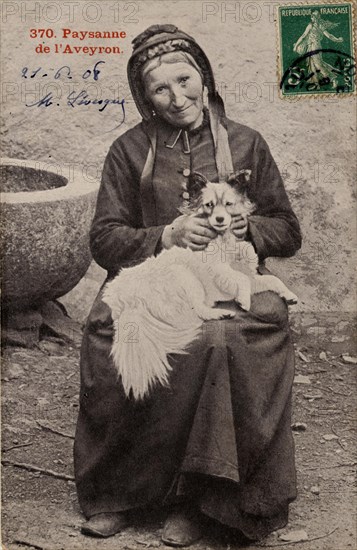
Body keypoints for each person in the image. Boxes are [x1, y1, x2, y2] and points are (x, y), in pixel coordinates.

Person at [74, 24, 302, 547]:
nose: (178, 98)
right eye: (161, 88)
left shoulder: (246, 143)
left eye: (185, 79)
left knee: (221, 341)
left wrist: (249, 227)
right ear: (144, 96)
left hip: (233, 281)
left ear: (204, 76)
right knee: (120, 332)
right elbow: (104, 240)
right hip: (154, 282)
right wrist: (165, 234)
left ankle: (209, 504)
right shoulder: (129, 150)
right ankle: (123, 495)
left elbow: (287, 230)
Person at [293, 11, 343, 89]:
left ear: (318, 17)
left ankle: (333, 79)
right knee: (312, 65)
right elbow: (303, 36)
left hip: (315, 46)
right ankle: (317, 84)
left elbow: (329, 36)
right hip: (310, 46)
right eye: (312, 16)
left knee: (318, 65)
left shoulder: (319, 26)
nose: (312, 18)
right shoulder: (311, 25)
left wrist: (337, 40)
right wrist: (296, 45)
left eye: (314, 16)